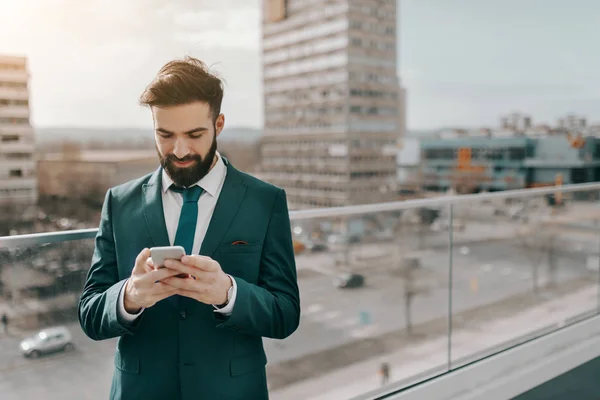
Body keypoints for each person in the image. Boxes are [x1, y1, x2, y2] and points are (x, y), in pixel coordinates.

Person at [78, 57, 300, 400]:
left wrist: (228, 293)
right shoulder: (119, 202)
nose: (179, 150)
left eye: (194, 135)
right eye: (165, 135)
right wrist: (130, 297)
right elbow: (91, 314)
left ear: (219, 124)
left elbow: (285, 314)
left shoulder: (265, 201)